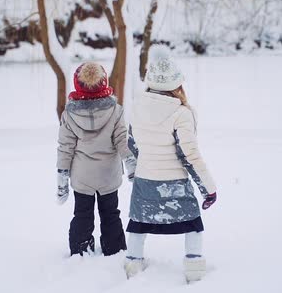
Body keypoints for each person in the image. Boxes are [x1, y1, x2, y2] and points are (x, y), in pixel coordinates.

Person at [124, 54, 218, 282]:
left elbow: (131, 143)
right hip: (174, 184)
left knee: (138, 223)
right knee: (193, 223)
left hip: (145, 180)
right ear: (177, 84)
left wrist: (138, 169)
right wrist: (209, 189)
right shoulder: (181, 113)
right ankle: (194, 267)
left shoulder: (136, 106)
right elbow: (190, 155)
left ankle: (133, 266)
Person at [56, 62, 137, 257]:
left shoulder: (69, 114)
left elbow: (65, 148)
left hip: (82, 177)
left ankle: (80, 249)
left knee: (82, 214)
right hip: (108, 175)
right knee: (110, 213)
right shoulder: (115, 111)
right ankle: (114, 248)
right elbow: (122, 140)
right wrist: (132, 165)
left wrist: (62, 179)